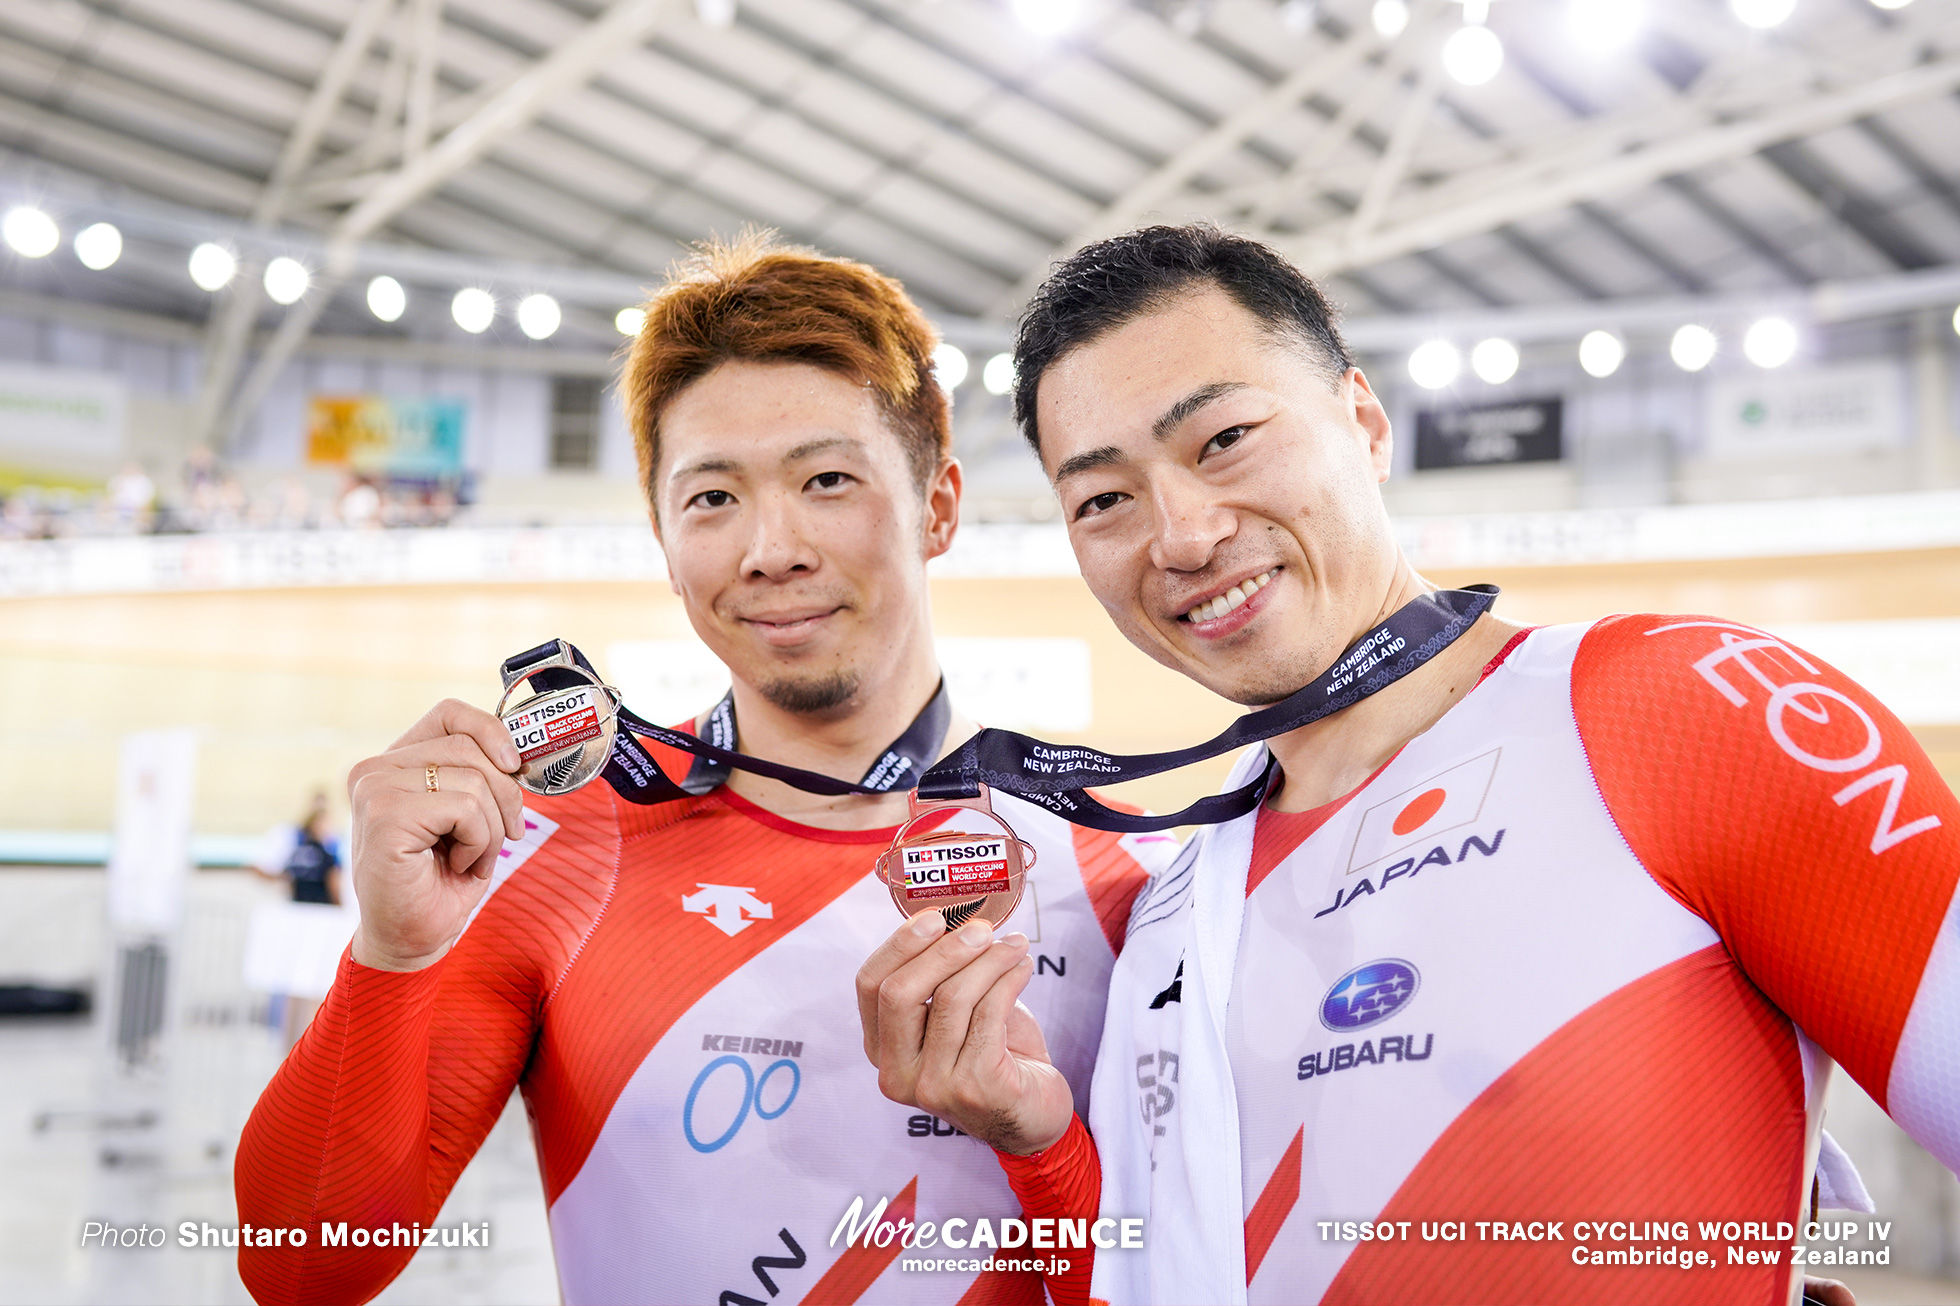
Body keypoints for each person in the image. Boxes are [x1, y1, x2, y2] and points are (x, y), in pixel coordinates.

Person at [856, 225, 1957, 1306]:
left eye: (1225, 439)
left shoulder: (1682, 709)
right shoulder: (1174, 906)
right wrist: (1035, 1138)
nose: (1180, 534)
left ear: (1365, 423)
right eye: (1102, 499)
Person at [232, 235, 1175, 1306]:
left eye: (826, 480)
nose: (771, 548)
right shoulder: (558, 845)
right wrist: (392, 952)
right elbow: (303, 1269)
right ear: (664, 542)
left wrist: (1036, 1141)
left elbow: (1190, 1280)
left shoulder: (1119, 866)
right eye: (711, 498)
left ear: (939, 506)